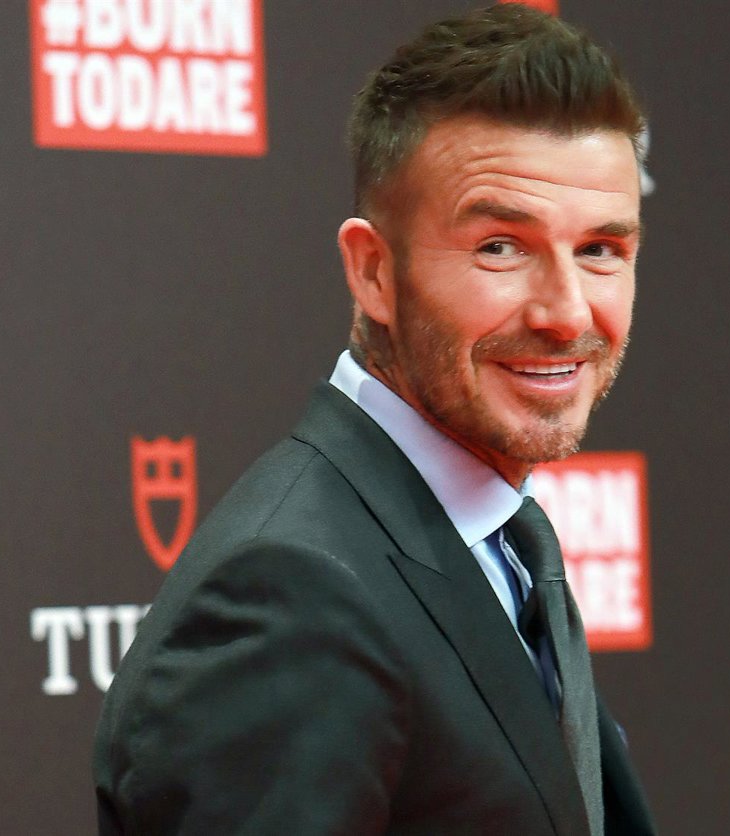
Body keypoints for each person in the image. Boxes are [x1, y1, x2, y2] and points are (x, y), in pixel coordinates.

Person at [93, 5, 655, 834]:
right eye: (501, 247)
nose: (567, 312)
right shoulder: (290, 595)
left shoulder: (504, 538)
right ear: (373, 272)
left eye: (600, 251)